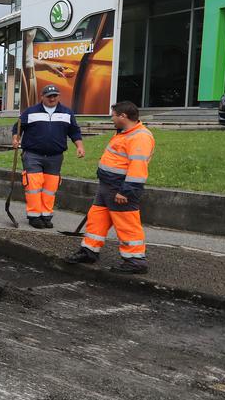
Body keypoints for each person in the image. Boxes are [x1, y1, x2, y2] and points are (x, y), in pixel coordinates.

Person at [66, 102, 155, 274]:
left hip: (120, 188)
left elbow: (138, 168)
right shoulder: (124, 133)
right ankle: (89, 251)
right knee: (97, 218)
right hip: (108, 186)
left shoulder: (140, 137)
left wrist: (125, 191)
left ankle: (135, 260)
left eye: (113, 115)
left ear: (123, 116)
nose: (111, 118)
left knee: (127, 224)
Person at [12, 84, 84, 228]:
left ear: (59, 96)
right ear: (42, 97)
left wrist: (80, 146)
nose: (52, 98)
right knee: (33, 186)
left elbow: (74, 131)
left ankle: (46, 215)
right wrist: (15, 138)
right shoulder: (30, 112)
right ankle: (34, 216)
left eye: (55, 96)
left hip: (55, 156)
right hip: (33, 155)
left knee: (50, 188)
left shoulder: (67, 113)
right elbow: (18, 126)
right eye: (49, 96)